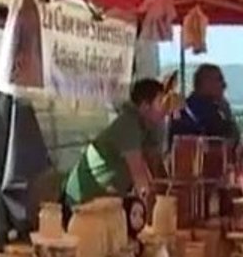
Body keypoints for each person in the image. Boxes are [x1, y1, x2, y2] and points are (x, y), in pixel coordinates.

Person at [63, 78, 166, 207]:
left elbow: (155, 165)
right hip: (84, 198)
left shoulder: (146, 127)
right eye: (160, 102)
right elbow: (139, 175)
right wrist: (154, 208)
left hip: (104, 198)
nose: (165, 107)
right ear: (145, 106)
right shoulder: (128, 123)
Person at [169, 64, 240, 143]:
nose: (224, 85)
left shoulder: (183, 108)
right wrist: (227, 112)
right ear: (206, 83)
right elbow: (231, 142)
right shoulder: (209, 113)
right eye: (220, 80)